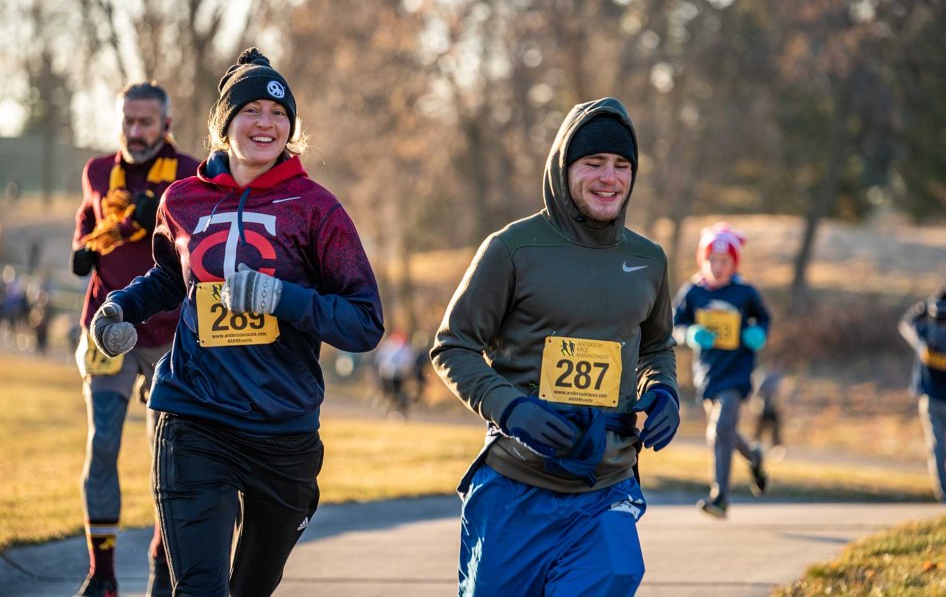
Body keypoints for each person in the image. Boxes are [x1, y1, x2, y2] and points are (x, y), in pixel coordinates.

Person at [89, 47, 384, 595]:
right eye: (250, 110)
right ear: (224, 124)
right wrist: (119, 307)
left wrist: (281, 297)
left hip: (283, 429)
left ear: (291, 127)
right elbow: (169, 280)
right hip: (193, 415)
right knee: (201, 589)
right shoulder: (183, 200)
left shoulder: (317, 209)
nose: (264, 123)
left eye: (277, 114)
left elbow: (364, 323)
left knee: (251, 586)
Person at [432, 98, 680, 596]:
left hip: (604, 487)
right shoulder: (512, 249)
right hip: (515, 486)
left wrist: (664, 391)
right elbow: (452, 346)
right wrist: (511, 408)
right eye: (594, 164)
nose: (609, 178)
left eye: (622, 165)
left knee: (614, 571)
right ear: (564, 166)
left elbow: (656, 346)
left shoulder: (648, 259)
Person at [70, 81, 198, 597]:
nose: (135, 131)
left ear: (166, 125)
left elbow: (201, 244)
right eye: (128, 121)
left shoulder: (188, 174)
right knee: (102, 445)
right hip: (105, 329)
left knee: (165, 456)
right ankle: (102, 576)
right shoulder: (99, 171)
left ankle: (161, 569)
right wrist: (81, 246)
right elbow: (88, 218)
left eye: (146, 122)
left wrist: (162, 213)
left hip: (169, 335)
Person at [673, 222, 771, 518]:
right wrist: (689, 334)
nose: (717, 267)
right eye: (711, 260)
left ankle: (721, 497)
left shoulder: (745, 292)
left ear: (734, 263)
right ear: (702, 260)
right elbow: (673, 326)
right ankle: (754, 454)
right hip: (708, 373)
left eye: (724, 261)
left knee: (718, 430)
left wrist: (757, 334)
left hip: (737, 372)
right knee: (725, 431)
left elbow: (764, 319)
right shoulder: (693, 292)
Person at [898, 290, 946, 503]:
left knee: (938, 449)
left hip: (931, 401)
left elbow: (906, 324)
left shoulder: (924, 333)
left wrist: (922, 309)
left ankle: (944, 495)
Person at [751, 358, 786, 459]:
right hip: (764, 407)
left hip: (773, 408)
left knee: (775, 431)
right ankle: (754, 450)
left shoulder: (777, 377)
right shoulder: (766, 377)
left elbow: (779, 395)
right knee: (760, 430)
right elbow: (758, 392)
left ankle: (775, 450)